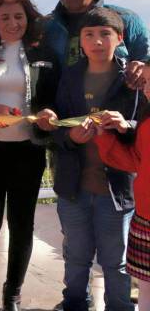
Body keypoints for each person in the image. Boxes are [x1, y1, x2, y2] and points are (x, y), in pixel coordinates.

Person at [0, 0, 60, 311]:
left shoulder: (42, 52)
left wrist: (49, 114)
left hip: (27, 151)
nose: (12, 22)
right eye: (4, 16)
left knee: (22, 225)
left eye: (18, 15)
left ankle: (12, 295)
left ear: (27, 17)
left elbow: (52, 99)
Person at [51, 7, 144, 311]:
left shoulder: (131, 80)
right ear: (81, 41)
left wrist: (125, 126)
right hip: (74, 186)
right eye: (89, 35)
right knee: (75, 257)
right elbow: (57, 128)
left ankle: (119, 307)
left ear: (119, 38)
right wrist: (71, 137)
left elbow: (142, 130)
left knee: (115, 262)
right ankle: (75, 304)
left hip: (115, 189)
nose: (97, 41)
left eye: (105, 34)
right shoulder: (70, 77)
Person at [44, 0, 149, 86]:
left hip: (118, 105)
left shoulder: (126, 19)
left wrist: (142, 66)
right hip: (61, 105)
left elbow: (146, 60)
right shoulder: (45, 26)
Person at [94, 66, 150, 310]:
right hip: (146, 217)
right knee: (146, 288)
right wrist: (105, 135)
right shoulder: (147, 123)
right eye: (146, 81)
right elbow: (134, 160)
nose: (146, 88)